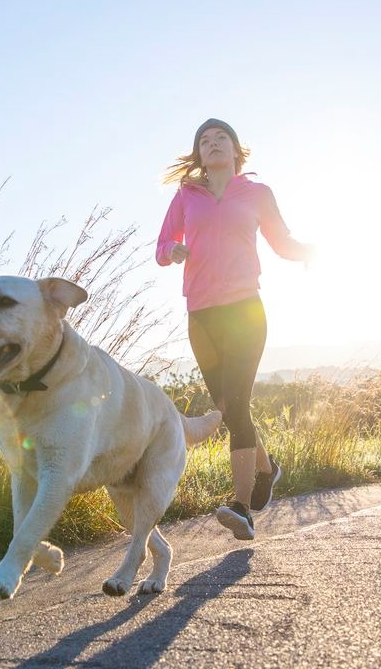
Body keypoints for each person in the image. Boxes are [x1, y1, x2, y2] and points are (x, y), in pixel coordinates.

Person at [155, 118, 314, 540]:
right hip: (201, 315)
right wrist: (173, 250)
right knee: (228, 408)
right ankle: (267, 468)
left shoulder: (257, 193)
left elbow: (281, 243)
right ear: (199, 155)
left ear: (236, 149)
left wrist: (311, 251)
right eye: (204, 141)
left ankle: (242, 508)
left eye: (220, 138)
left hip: (245, 310)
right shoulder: (187, 196)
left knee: (238, 405)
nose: (213, 144)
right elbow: (161, 244)